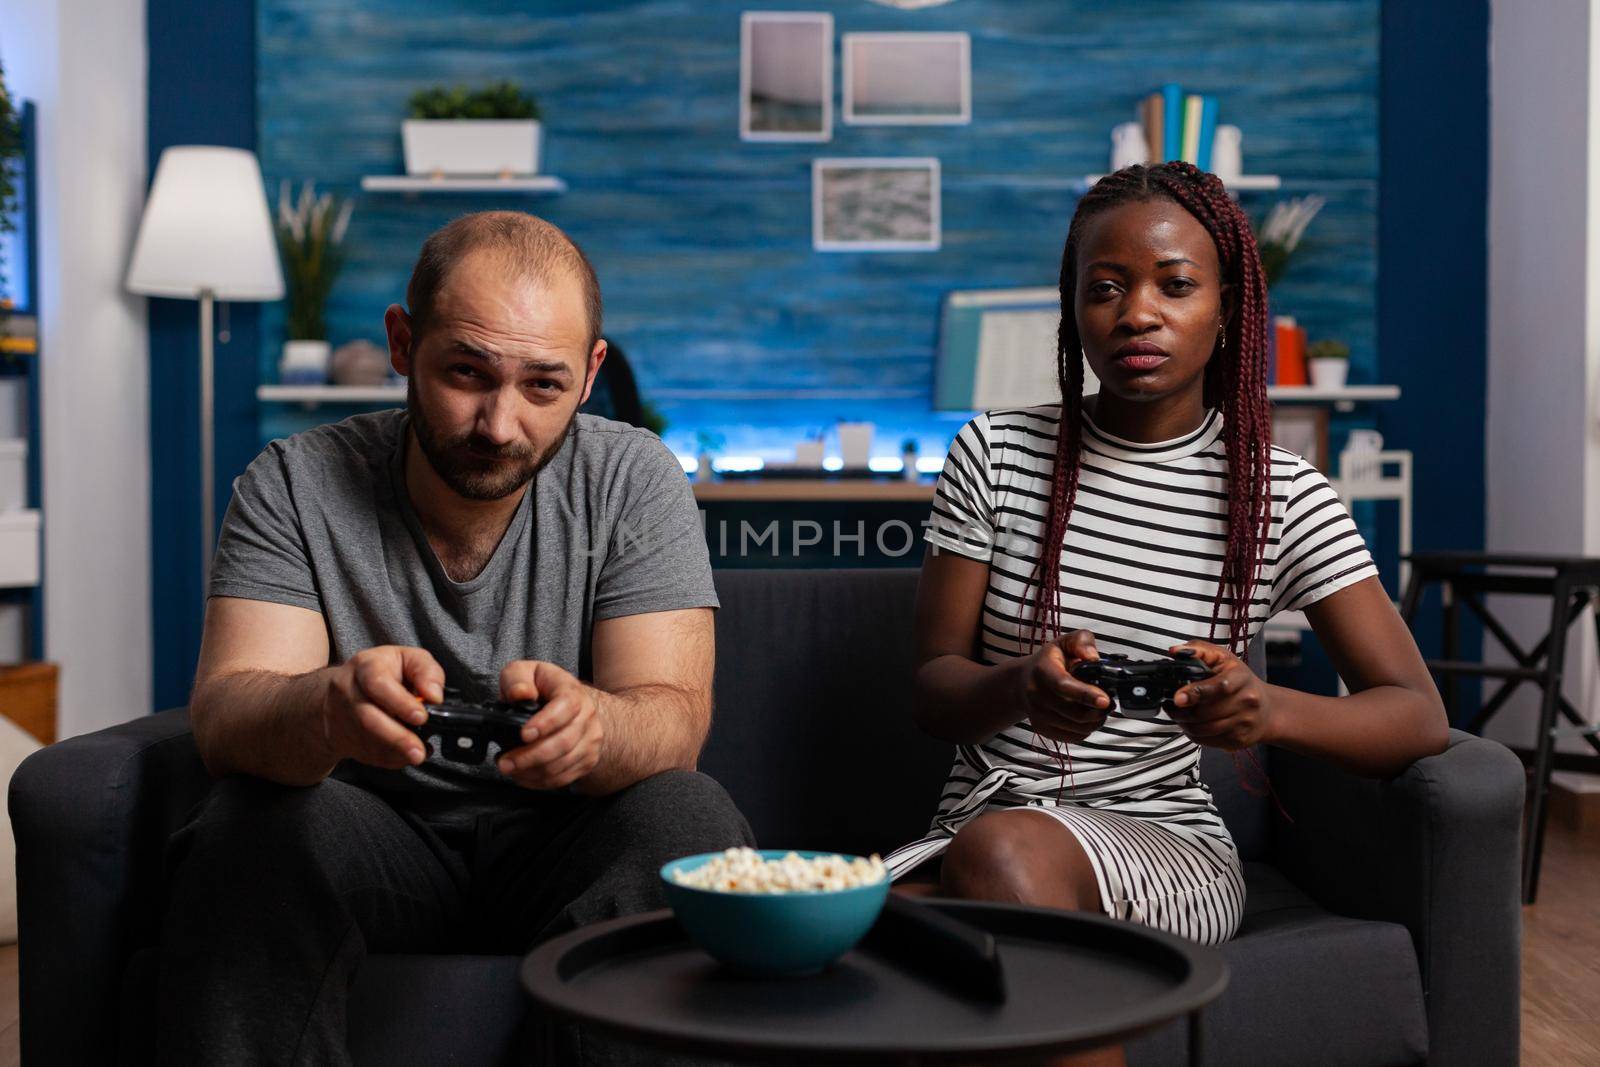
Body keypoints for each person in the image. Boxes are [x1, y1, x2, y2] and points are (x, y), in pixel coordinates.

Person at [156, 211, 754, 1064]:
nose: (499, 424)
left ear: (590, 375)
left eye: (543, 386)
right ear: (404, 343)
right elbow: (225, 718)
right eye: (466, 373)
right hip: (372, 834)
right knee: (249, 823)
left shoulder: (634, 478)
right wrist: (325, 706)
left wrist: (597, 725)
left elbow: (674, 718)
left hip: (567, 843)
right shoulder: (292, 483)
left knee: (688, 811)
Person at [888, 162, 1448, 1066]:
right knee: (827, 930)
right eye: (1105, 288)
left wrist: (1266, 711)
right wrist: (1019, 689)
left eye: (1175, 285)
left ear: (1227, 310)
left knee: (987, 874)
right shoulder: (995, 453)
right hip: (968, 834)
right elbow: (933, 691)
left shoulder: (1282, 495)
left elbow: (1416, 714)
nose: (1137, 312)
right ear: (1072, 310)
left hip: (1163, 846)